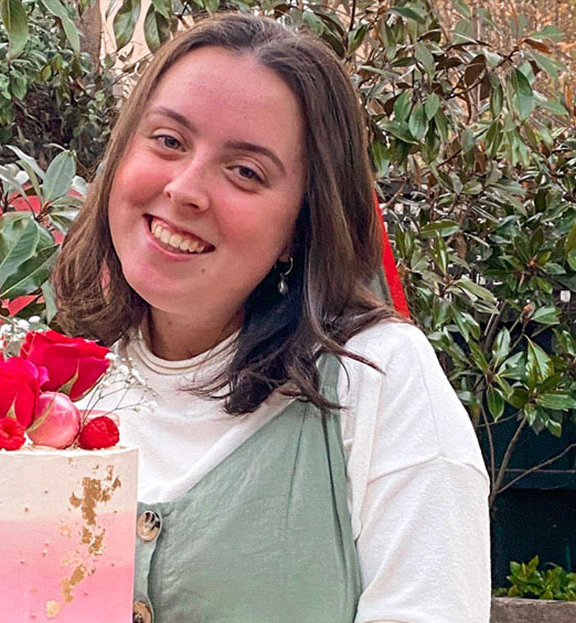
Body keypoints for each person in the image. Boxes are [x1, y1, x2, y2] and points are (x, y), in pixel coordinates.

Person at [53, 11, 490, 623]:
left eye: (246, 172)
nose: (184, 189)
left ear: (300, 226)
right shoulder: (63, 385)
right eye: (169, 140)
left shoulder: (377, 378)